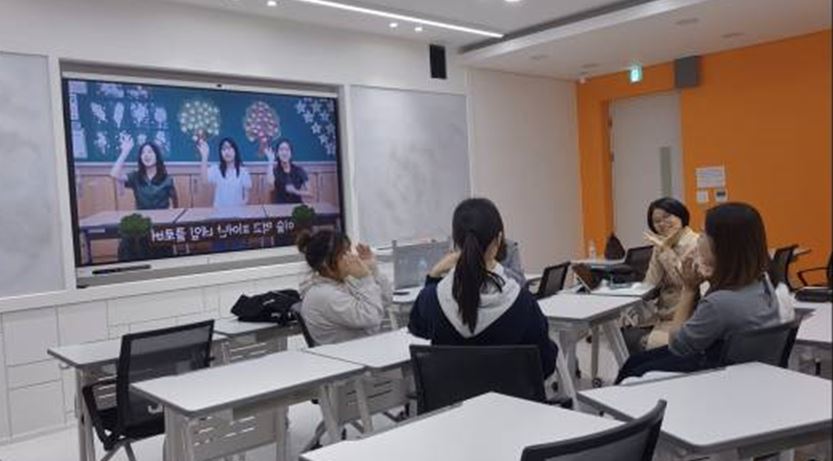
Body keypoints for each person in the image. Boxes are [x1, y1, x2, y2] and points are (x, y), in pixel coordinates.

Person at [615, 202, 785, 383]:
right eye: (657, 221)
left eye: (703, 234)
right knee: (634, 361)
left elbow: (678, 345)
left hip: (710, 373)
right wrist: (712, 280)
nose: (698, 240)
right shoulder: (762, 282)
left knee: (633, 371)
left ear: (722, 245)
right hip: (737, 366)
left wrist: (689, 289)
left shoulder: (719, 303)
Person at [408, 198, 558, 378]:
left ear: (456, 242)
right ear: (499, 240)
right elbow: (545, 365)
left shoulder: (431, 298)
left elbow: (418, 328)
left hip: (452, 397)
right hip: (507, 397)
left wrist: (433, 276)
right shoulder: (522, 302)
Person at [623, 197, 699, 352]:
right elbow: (651, 282)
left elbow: (685, 282)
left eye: (667, 216)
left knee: (635, 341)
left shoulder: (695, 243)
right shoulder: (662, 244)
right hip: (663, 314)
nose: (663, 224)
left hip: (685, 315)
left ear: (681, 215)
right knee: (624, 335)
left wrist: (665, 250)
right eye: (657, 221)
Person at [297, 229, 393, 345]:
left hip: (364, 347)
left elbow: (384, 301)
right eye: (344, 254)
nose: (351, 257)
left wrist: (373, 270)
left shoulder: (343, 281)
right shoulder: (322, 295)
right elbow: (372, 317)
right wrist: (365, 278)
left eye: (350, 251)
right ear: (325, 263)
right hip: (349, 353)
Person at [110, 133, 178, 209]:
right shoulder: (135, 176)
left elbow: (174, 204)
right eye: (143, 153)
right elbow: (114, 174)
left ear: (157, 156)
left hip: (161, 215)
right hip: (142, 215)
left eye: (150, 152)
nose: (146, 155)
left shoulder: (167, 179)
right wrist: (125, 152)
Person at [197, 137, 252, 208]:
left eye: (229, 148)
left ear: (235, 151)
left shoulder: (243, 171)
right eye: (223, 149)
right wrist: (204, 157)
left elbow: (246, 198)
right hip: (219, 212)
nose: (227, 152)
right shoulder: (216, 169)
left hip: (237, 212)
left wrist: (239, 209)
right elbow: (204, 181)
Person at [266, 138, 312, 204]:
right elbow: (270, 186)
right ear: (277, 154)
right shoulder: (274, 171)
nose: (284, 153)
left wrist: (295, 191)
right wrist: (270, 161)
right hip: (279, 207)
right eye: (281, 150)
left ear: (291, 153)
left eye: (287, 150)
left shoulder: (299, 170)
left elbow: (310, 193)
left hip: (296, 206)